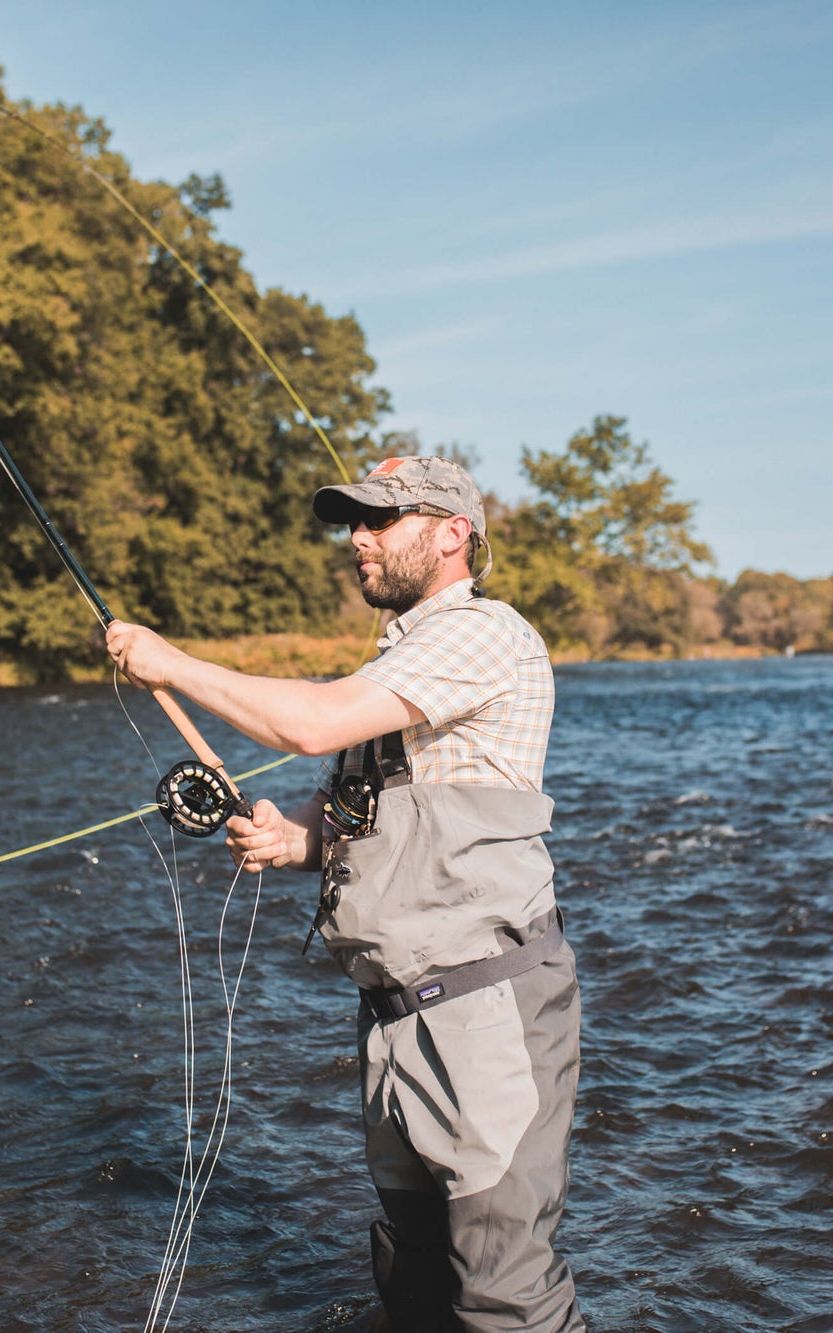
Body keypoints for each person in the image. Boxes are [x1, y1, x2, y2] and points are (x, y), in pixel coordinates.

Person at [105, 456, 584, 1332]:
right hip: (395, 1017)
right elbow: (358, 817)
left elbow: (311, 722)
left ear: (453, 535)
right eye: (351, 521)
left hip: (486, 1012)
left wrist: (171, 664)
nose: (357, 538)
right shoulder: (401, 663)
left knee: (507, 1288)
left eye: (381, 520)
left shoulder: (485, 632)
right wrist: (295, 841)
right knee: (413, 1278)